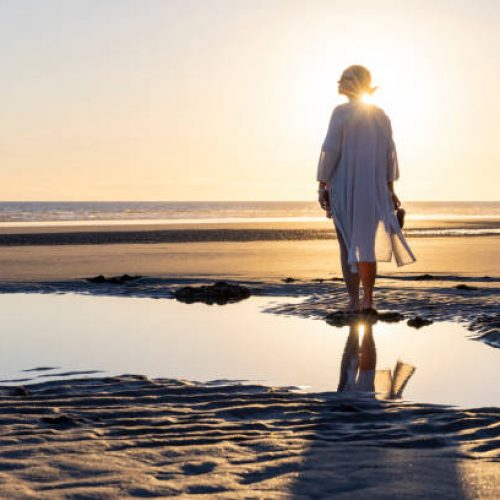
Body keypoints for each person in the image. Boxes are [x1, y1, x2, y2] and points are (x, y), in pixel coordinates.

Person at [316, 65, 416, 313]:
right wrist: (389, 189)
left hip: (345, 187)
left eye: (345, 80)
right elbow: (388, 156)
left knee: (347, 244)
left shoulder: (340, 113)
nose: (340, 84)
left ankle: (353, 301)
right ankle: (368, 300)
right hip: (373, 189)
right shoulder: (380, 116)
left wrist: (322, 183)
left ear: (351, 84)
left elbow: (331, 151)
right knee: (367, 245)